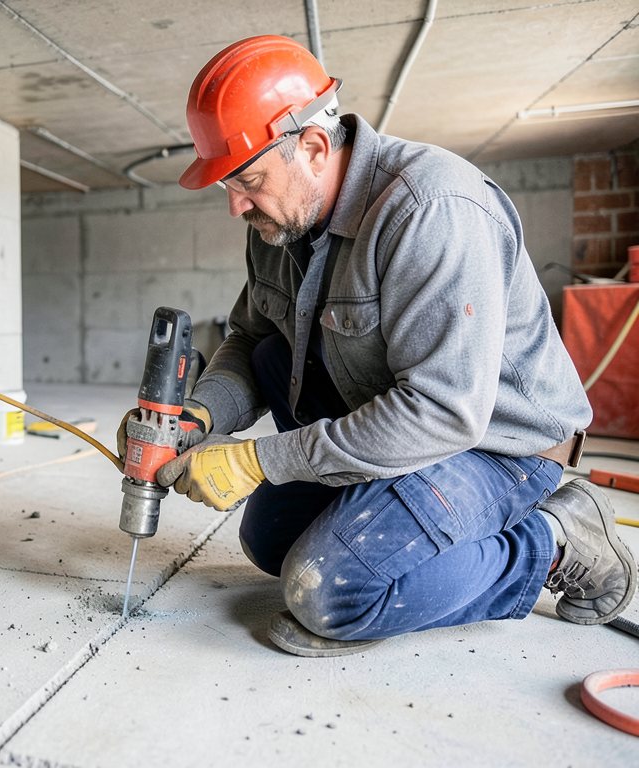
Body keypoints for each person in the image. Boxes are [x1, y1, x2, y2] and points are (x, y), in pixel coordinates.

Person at [122, 35, 636, 657]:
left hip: (493, 445)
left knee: (327, 590)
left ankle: (555, 536)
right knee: (268, 538)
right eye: (227, 185)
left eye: (248, 180)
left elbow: (444, 412)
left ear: (313, 147)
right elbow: (254, 339)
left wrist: (258, 461)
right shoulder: (278, 222)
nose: (236, 206)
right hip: (391, 418)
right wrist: (197, 416)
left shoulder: (430, 209)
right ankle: (383, 526)